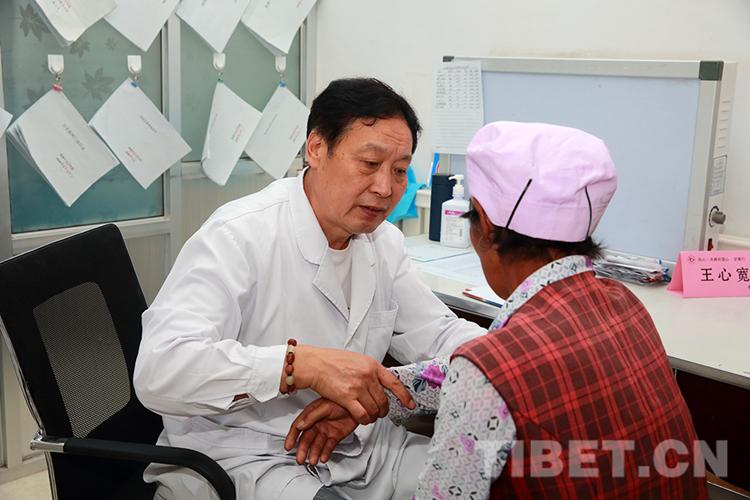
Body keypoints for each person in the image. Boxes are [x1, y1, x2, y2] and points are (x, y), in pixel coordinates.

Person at [289, 121, 707, 499]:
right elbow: (495, 374)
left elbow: (488, 378)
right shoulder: (622, 303)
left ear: (485, 224)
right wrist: (378, 393)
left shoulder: (491, 369)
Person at [132, 78, 485, 500]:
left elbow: (440, 334)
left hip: (364, 450)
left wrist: (512, 349)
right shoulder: (239, 236)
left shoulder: (383, 242)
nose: (385, 188)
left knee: (495, 474)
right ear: (316, 148)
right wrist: (299, 366)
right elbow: (160, 369)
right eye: (369, 163)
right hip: (250, 455)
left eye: (399, 170)